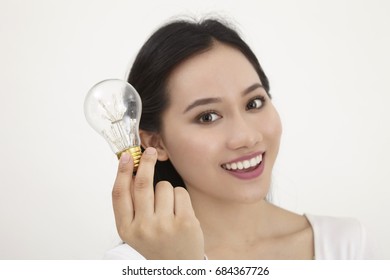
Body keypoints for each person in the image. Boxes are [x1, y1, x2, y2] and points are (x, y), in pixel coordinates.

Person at [104, 17, 374, 260]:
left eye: (254, 103)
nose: (246, 136)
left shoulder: (347, 245)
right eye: (208, 116)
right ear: (155, 143)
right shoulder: (133, 264)